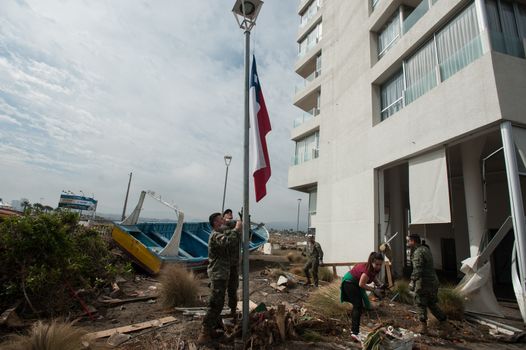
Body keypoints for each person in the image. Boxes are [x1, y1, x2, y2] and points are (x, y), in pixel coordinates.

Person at [197, 212, 242, 344]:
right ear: (216, 223)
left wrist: (236, 224)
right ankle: (204, 334)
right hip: (218, 274)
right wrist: (237, 230)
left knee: (219, 303)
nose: (224, 221)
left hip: (221, 274)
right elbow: (229, 242)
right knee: (215, 304)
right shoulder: (216, 235)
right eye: (221, 220)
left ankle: (211, 329)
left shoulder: (220, 232)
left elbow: (230, 232)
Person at [408, 234, 448, 335]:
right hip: (433, 281)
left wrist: (412, 281)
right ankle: (444, 323)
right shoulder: (426, 249)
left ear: (413, 241)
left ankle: (423, 327)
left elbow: (418, 268)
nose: (408, 243)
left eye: (409, 241)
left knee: (420, 302)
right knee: (431, 303)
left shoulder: (418, 252)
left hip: (424, 282)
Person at [340, 252, 385, 341]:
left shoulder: (371, 268)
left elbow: (373, 277)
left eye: (380, 264)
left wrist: (380, 285)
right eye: (377, 264)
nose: (379, 266)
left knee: (358, 306)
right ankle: (355, 333)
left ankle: (355, 331)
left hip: (354, 283)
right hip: (349, 282)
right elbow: (361, 284)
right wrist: (374, 290)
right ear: (371, 262)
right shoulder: (367, 270)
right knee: (358, 306)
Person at [222, 208, 240, 321]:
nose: (230, 217)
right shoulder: (222, 228)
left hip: (233, 264)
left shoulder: (234, 228)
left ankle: (233, 310)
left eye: (231, 216)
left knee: (233, 288)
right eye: (227, 215)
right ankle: (216, 311)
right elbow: (229, 235)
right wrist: (236, 223)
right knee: (219, 289)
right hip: (223, 265)